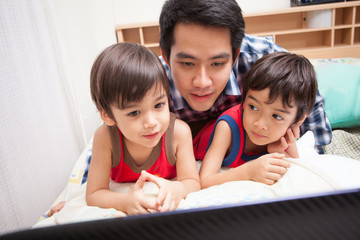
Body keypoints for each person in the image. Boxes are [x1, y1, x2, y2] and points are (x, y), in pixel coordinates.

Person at [159, 0, 331, 154]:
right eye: (188, 64)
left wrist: (305, 151)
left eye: (217, 63)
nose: (202, 82)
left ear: (235, 56)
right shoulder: (151, 83)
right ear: (166, 58)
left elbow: (312, 105)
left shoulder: (263, 59)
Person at [86, 42, 200, 215]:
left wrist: (177, 189)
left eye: (159, 105)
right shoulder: (105, 138)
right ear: (108, 116)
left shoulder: (178, 133)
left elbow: (192, 182)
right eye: (134, 112)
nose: (151, 122)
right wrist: (124, 202)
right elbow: (94, 194)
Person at [199, 52, 317, 188]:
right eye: (253, 107)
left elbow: (296, 171)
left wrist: (278, 151)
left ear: (298, 120)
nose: (260, 124)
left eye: (277, 116)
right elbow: (204, 181)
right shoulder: (226, 128)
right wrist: (248, 171)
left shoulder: (285, 133)